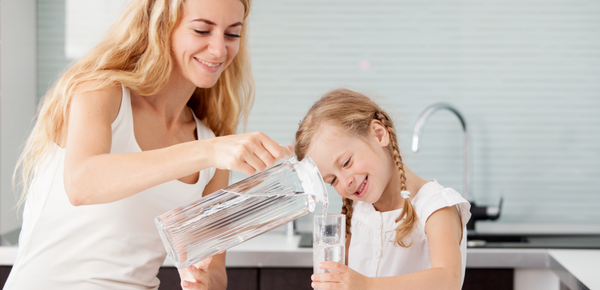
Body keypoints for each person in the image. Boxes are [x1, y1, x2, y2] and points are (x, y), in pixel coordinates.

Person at [5, 0, 291, 289]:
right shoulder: (101, 92)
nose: (219, 50)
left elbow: (215, 270)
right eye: (202, 30)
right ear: (161, 26)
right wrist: (209, 152)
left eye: (232, 34)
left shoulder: (208, 146)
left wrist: (204, 282)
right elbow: (82, 183)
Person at [294, 89, 472, 290]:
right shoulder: (357, 211)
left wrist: (367, 286)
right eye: (333, 179)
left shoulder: (435, 206)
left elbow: (448, 280)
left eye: (346, 162)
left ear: (379, 134)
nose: (345, 183)